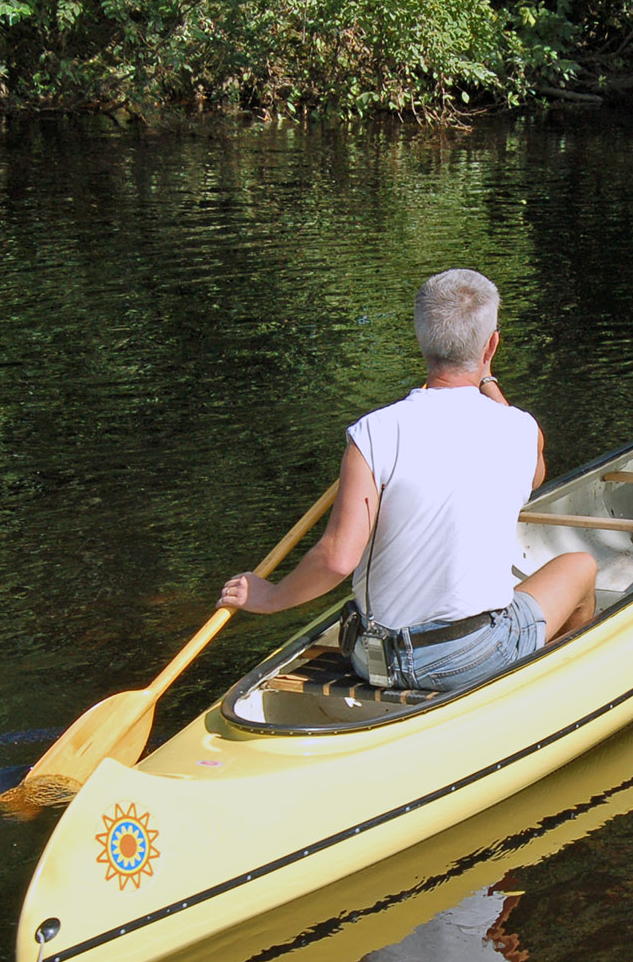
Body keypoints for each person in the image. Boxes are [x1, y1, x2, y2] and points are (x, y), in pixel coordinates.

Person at [216, 268, 595, 692]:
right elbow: (537, 473)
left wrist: (272, 597)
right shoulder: (521, 430)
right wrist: (487, 377)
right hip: (468, 657)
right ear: (491, 345)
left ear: (422, 342)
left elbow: (338, 559)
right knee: (580, 567)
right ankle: (542, 684)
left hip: (372, 657)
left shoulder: (373, 433)